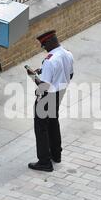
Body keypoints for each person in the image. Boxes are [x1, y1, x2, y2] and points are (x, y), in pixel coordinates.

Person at [27, 30, 74, 172]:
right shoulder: (67, 54)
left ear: (49, 42)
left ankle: (44, 162)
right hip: (60, 92)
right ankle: (56, 154)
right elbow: (70, 74)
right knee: (53, 122)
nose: (44, 48)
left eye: (44, 45)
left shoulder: (49, 60)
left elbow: (44, 86)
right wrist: (43, 71)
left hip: (47, 97)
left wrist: (33, 76)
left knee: (41, 128)